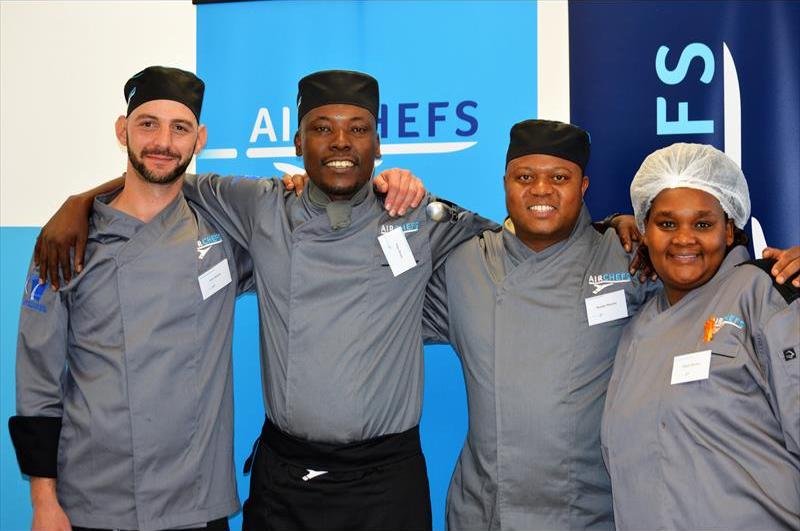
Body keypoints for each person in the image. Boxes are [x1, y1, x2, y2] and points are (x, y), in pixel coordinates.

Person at [33, 69, 495, 531]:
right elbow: (162, 177)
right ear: (297, 144)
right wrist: (80, 202)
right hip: (285, 479)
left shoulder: (420, 214)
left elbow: (505, 242)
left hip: (387, 482)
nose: (340, 142)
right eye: (322, 128)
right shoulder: (259, 205)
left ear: (377, 145)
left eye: (358, 129)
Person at [422, 121, 800, 530]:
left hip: (589, 515)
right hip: (487, 512)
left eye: (559, 178)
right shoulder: (465, 265)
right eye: (525, 177)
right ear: (505, 183)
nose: (541, 190)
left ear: (583, 186)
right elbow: (388, 310)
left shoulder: (627, 258)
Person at [9, 66, 253, 531]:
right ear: (123, 131)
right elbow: (38, 378)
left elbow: (297, 242)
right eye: (147, 124)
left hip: (196, 501)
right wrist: (44, 501)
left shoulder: (224, 236)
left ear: (199, 139)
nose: (163, 142)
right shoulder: (66, 244)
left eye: (179, 128)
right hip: (94, 499)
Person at [601, 143, 799, 530]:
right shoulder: (638, 327)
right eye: (667, 224)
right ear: (644, 232)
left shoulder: (766, 296)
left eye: (703, 224)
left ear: (729, 230)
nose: (684, 239)